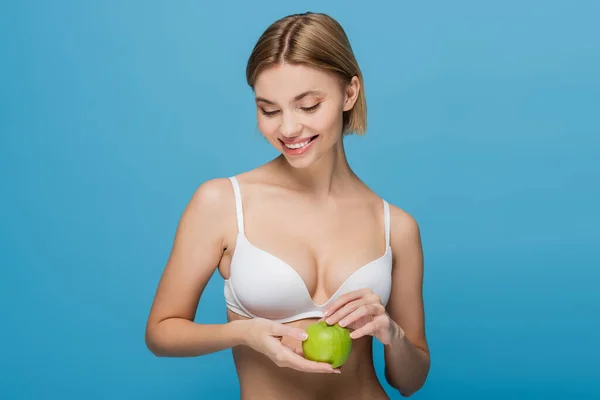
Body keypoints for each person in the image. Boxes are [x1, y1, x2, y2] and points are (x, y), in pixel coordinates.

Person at [145, 11, 430, 399]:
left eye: (309, 105)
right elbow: (161, 332)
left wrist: (390, 333)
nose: (288, 128)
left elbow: (409, 381)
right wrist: (245, 333)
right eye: (269, 110)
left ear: (350, 93)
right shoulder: (223, 203)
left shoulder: (396, 226)